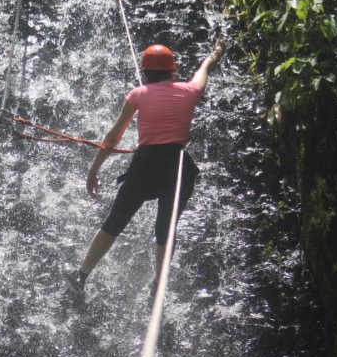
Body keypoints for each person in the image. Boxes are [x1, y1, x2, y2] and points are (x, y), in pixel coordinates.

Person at [63, 37, 225, 296]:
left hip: (146, 165)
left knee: (114, 221)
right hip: (178, 167)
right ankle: (158, 286)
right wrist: (215, 53)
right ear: (173, 70)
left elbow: (113, 138)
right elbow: (203, 70)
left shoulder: (138, 94)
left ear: (145, 72)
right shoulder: (190, 91)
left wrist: (94, 170)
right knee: (165, 228)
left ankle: (81, 276)